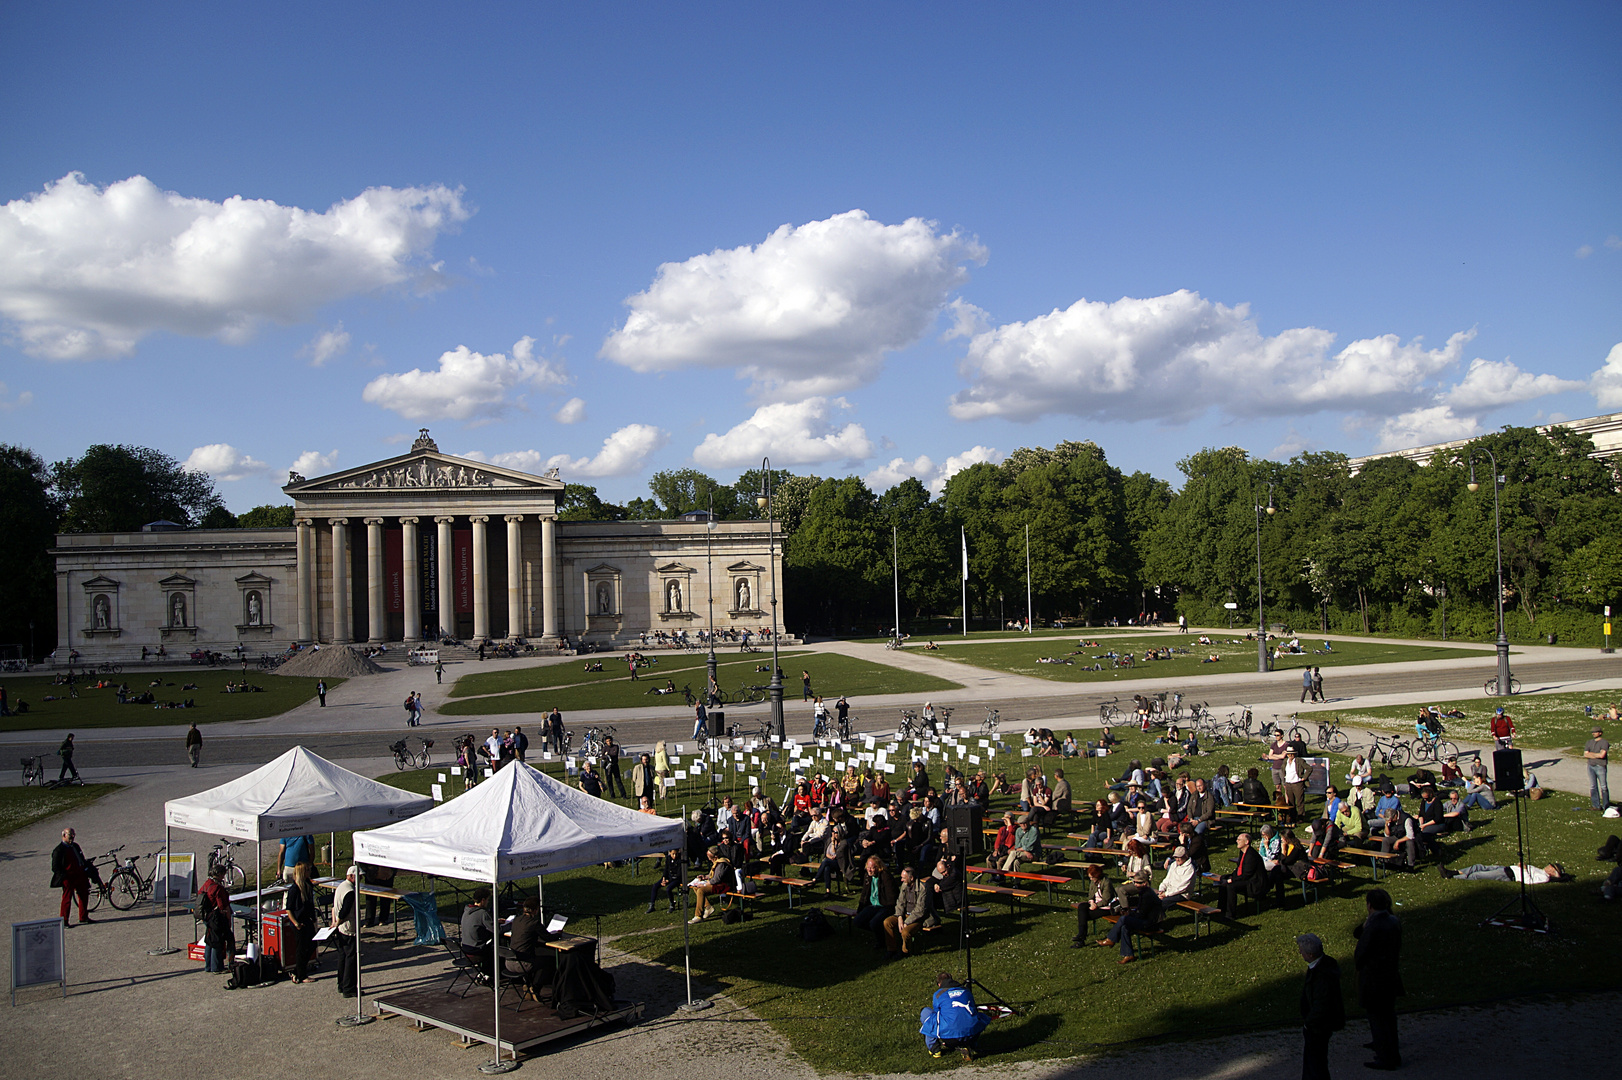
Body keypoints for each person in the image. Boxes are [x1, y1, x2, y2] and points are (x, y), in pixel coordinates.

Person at [1353, 887, 1403, 1070]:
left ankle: (1386, 1056)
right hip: (1390, 974)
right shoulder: (1392, 921)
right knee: (1388, 1016)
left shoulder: (1374, 925)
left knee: (1378, 1017)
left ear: (1369, 905)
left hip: (1375, 977)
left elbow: (1361, 952)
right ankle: (1388, 1048)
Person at [1297, 932, 1345, 1080]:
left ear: (1310, 954)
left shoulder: (1321, 975)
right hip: (1319, 1023)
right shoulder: (1325, 965)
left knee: (1316, 1063)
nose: (1300, 953)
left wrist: (1309, 1023)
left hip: (1318, 1026)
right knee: (1316, 1061)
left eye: (1302, 951)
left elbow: (1321, 1004)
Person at [919, 972, 988, 1062]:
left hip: (949, 1037)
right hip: (972, 1034)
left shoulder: (938, 994)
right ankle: (970, 1045)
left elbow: (937, 1013)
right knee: (976, 1015)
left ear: (939, 984)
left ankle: (935, 1049)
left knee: (927, 1014)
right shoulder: (966, 991)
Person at [1100, 871, 1161, 964]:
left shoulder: (1147, 895)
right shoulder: (1144, 892)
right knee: (1125, 926)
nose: (1136, 885)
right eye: (1134, 882)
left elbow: (1142, 914)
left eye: (1138, 883)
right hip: (1146, 920)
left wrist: (1131, 915)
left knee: (1123, 919)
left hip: (1152, 924)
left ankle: (1111, 939)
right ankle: (1128, 955)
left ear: (1145, 883)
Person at [882, 864, 933, 958]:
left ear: (911, 878)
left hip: (918, 918)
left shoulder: (923, 889)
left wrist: (907, 922)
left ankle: (905, 951)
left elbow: (920, 910)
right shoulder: (904, 885)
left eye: (903, 878)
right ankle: (891, 949)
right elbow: (900, 902)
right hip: (905, 915)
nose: (901, 880)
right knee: (887, 922)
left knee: (906, 932)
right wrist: (900, 917)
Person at [51, 827, 95, 925]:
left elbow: (81, 858)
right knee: (67, 899)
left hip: (80, 875)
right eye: (70, 835)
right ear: (64, 835)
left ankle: (83, 917)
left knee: (84, 895)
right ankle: (64, 921)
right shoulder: (58, 850)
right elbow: (55, 867)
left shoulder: (75, 846)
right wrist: (64, 875)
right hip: (68, 877)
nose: (72, 838)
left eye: (73, 835)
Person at [284, 862, 319, 984]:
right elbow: (289, 909)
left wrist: (313, 918)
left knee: (312, 945)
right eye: (308, 870)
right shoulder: (294, 889)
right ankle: (301, 974)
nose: (310, 872)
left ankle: (297, 970)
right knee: (301, 948)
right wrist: (296, 923)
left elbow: (310, 904)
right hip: (298, 922)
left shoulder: (308, 885)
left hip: (307, 920)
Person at [197, 866, 235, 973]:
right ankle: (217, 967)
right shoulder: (218, 888)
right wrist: (228, 919)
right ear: (219, 874)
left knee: (210, 941)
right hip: (216, 918)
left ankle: (208, 966)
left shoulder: (207, 884)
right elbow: (223, 906)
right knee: (218, 942)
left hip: (207, 916)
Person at [854, 855, 897, 948]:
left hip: (885, 905)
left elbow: (891, 896)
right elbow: (864, 894)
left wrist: (890, 909)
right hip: (873, 905)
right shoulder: (868, 876)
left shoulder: (885, 876)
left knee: (874, 922)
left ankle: (881, 941)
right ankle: (881, 933)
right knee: (857, 921)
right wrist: (859, 910)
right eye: (868, 867)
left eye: (872, 868)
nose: (869, 870)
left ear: (878, 867)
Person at [1219, 832, 1265, 918]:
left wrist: (1232, 880)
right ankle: (1221, 909)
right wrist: (1231, 876)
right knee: (1223, 881)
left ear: (1246, 842)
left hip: (1254, 883)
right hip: (1246, 878)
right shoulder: (1243, 852)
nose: (1237, 841)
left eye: (1239, 839)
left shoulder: (1251, 855)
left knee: (1231, 886)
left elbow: (1247, 874)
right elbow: (1240, 869)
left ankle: (1230, 914)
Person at [331, 865, 359, 997]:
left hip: (340, 927)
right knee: (350, 958)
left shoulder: (340, 887)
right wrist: (338, 921)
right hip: (348, 928)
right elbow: (345, 911)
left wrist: (334, 923)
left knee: (342, 956)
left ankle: (341, 984)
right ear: (352, 876)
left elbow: (334, 907)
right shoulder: (349, 891)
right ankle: (349, 987)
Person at [689, 846, 732, 922]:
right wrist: (704, 877)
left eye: (710, 857)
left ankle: (698, 916)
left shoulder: (721, 864)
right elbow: (712, 876)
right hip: (716, 883)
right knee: (695, 887)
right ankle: (708, 907)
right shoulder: (716, 863)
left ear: (715, 857)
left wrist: (705, 884)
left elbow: (716, 879)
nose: (709, 859)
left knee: (701, 890)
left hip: (723, 885)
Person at [460, 887, 496, 976]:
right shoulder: (482, 913)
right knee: (495, 948)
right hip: (476, 949)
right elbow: (495, 930)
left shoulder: (467, 910)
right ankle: (490, 974)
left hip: (465, 947)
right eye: (488, 900)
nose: (488, 902)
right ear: (483, 900)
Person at [1440, 862, 1567, 882]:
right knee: (1479, 866)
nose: (1548, 866)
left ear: (1553, 872)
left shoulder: (1544, 878)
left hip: (1509, 874)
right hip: (1508, 868)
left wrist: (1523, 869)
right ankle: (1454, 872)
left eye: (1551, 867)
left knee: (1478, 875)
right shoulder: (1541, 870)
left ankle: (1453, 876)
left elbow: (1528, 881)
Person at [361, 862, 396, 928]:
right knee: (370, 899)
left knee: (385, 898)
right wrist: (367, 871)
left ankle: (383, 919)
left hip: (386, 874)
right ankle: (369, 920)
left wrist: (392, 872)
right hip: (371, 875)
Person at [1585, 726, 1610, 811]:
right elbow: (1585, 754)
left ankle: (1606, 805)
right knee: (1593, 786)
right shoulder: (1589, 742)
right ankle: (1596, 805)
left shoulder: (1604, 742)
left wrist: (1591, 754)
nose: (1593, 733)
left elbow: (1602, 755)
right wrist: (1596, 755)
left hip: (1600, 766)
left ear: (1600, 733)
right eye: (1593, 732)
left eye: (1595, 732)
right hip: (1590, 765)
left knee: (1603, 786)